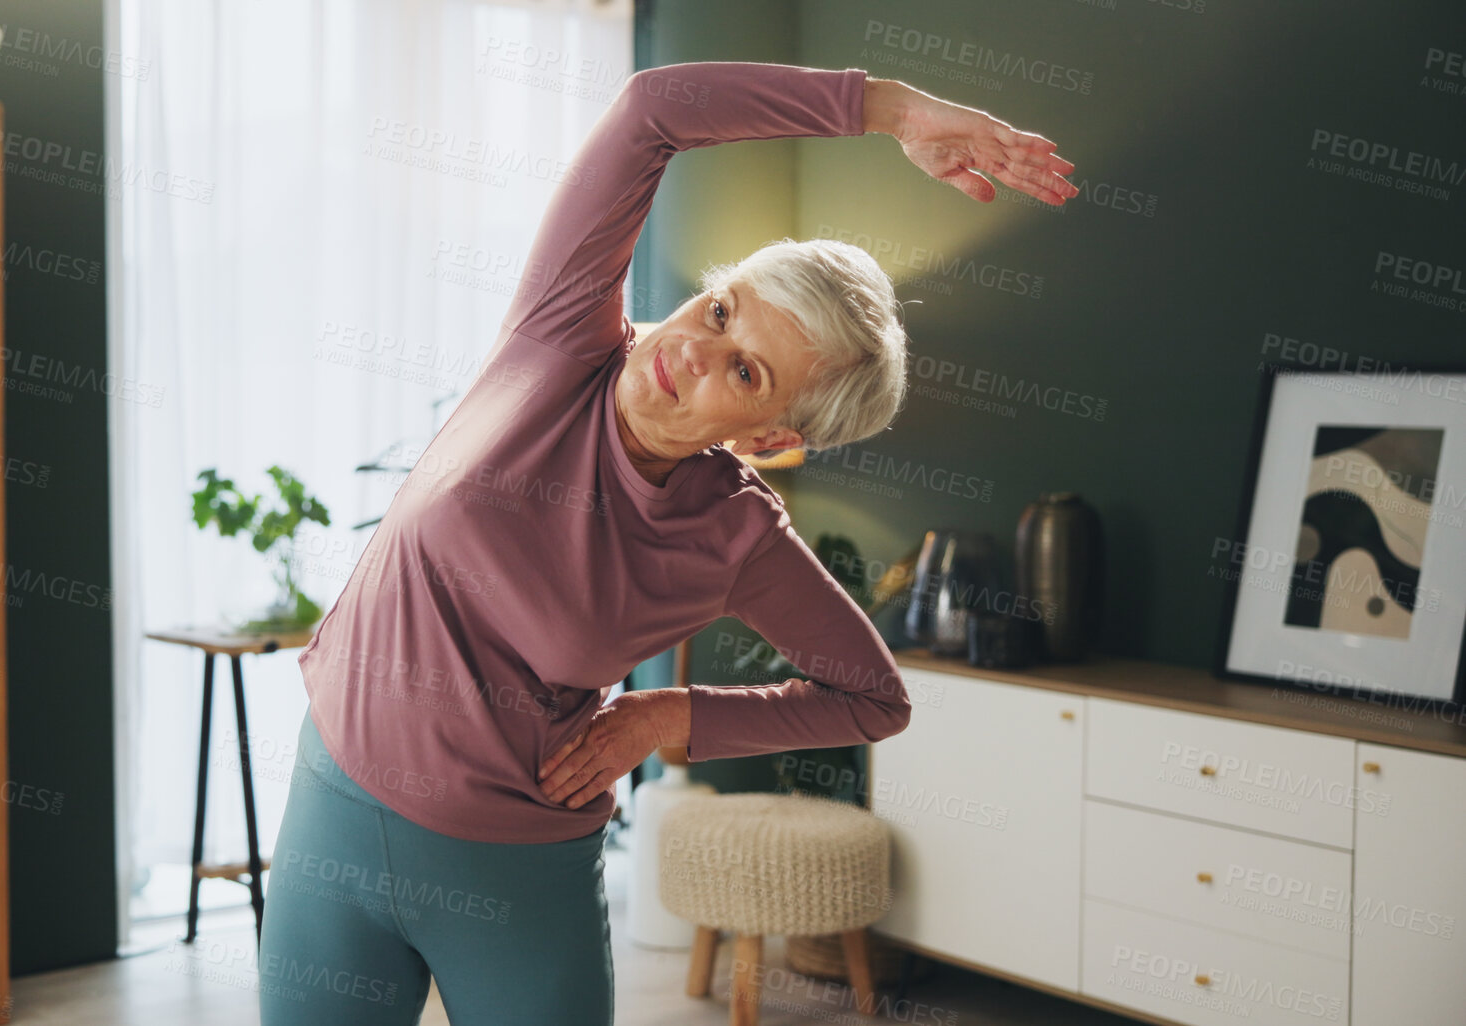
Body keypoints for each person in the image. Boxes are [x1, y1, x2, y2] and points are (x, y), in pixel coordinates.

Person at [257, 60, 1076, 1026]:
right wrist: (897, 110)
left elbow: (871, 698)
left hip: (512, 874)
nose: (690, 348)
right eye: (719, 309)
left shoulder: (736, 535)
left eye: (744, 367)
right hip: (332, 809)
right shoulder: (560, 338)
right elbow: (652, 110)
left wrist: (661, 719)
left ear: (770, 435)